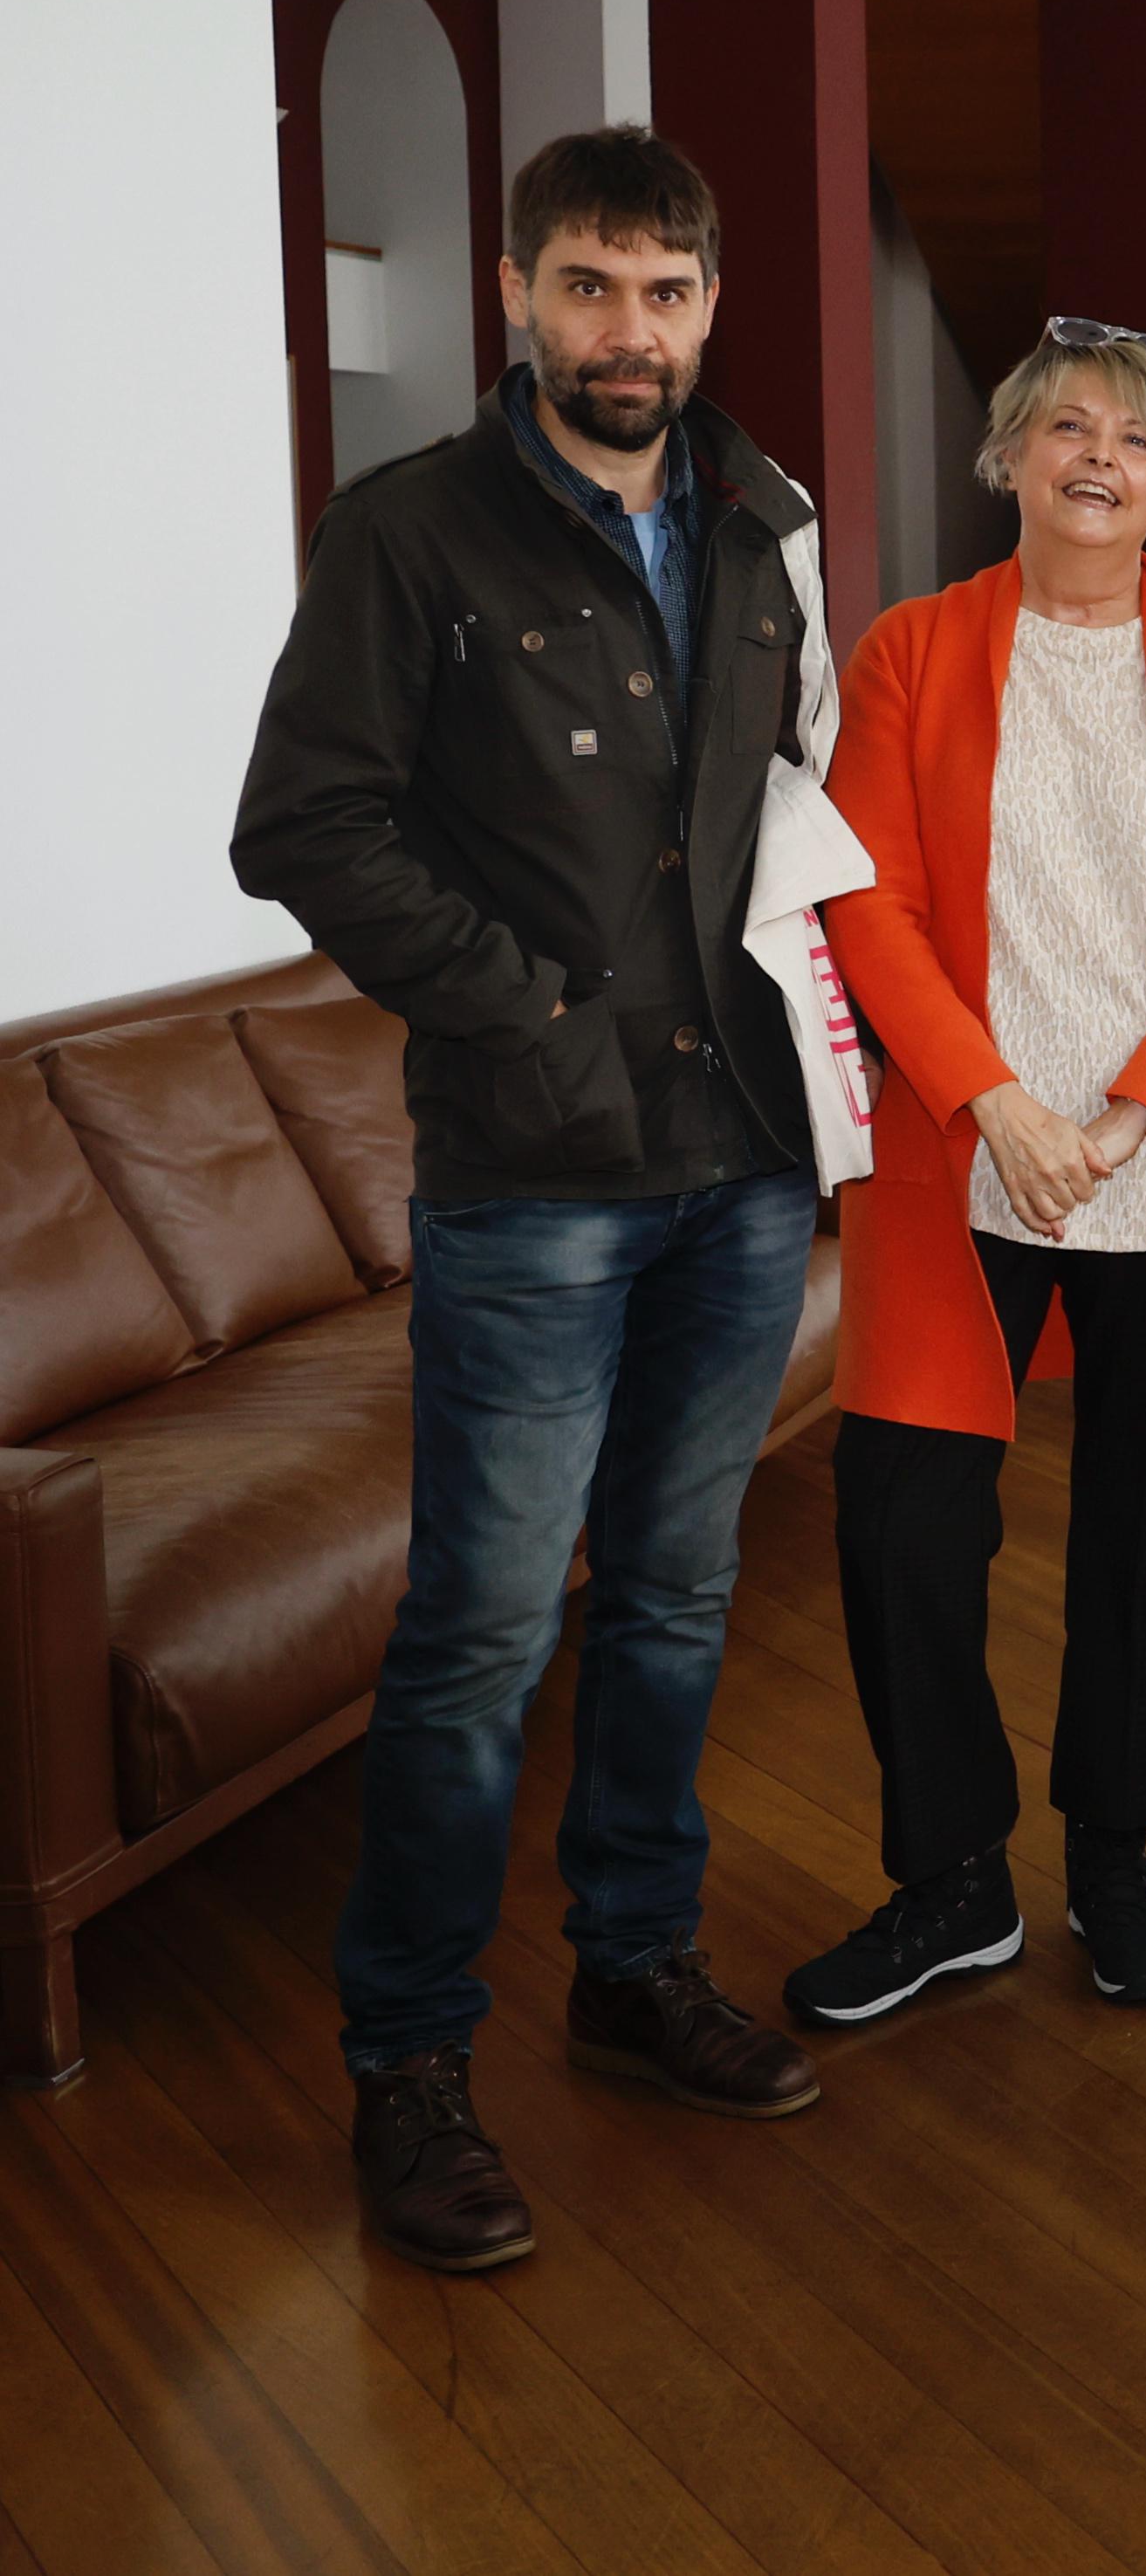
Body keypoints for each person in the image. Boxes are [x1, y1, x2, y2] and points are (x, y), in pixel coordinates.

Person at [232, 126, 830, 2273]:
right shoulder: (410, 530)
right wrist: (530, 1011)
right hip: (534, 1172)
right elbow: (304, 822)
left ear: (709, 303)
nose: (626, 330)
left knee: (671, 1596)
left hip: (743, 1156)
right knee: (483, 1628)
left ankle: (633, 1964)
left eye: (664, 291)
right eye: (587, 285)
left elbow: (787, 803)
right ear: (514, 293)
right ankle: (408, 2059)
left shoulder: (761, 522)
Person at [787, 321, 1146, 2025]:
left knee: (1140, 1536)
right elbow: (862, 896)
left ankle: (1114, 1857)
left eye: (1137, 441)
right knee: (904, 1523)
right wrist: (1001, 1101)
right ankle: (951, 1879)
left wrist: (1127, 1112)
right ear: (1011, 453)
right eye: (1069, 427)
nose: (1101, 458)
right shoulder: (910, 651)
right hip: (967, 1151)